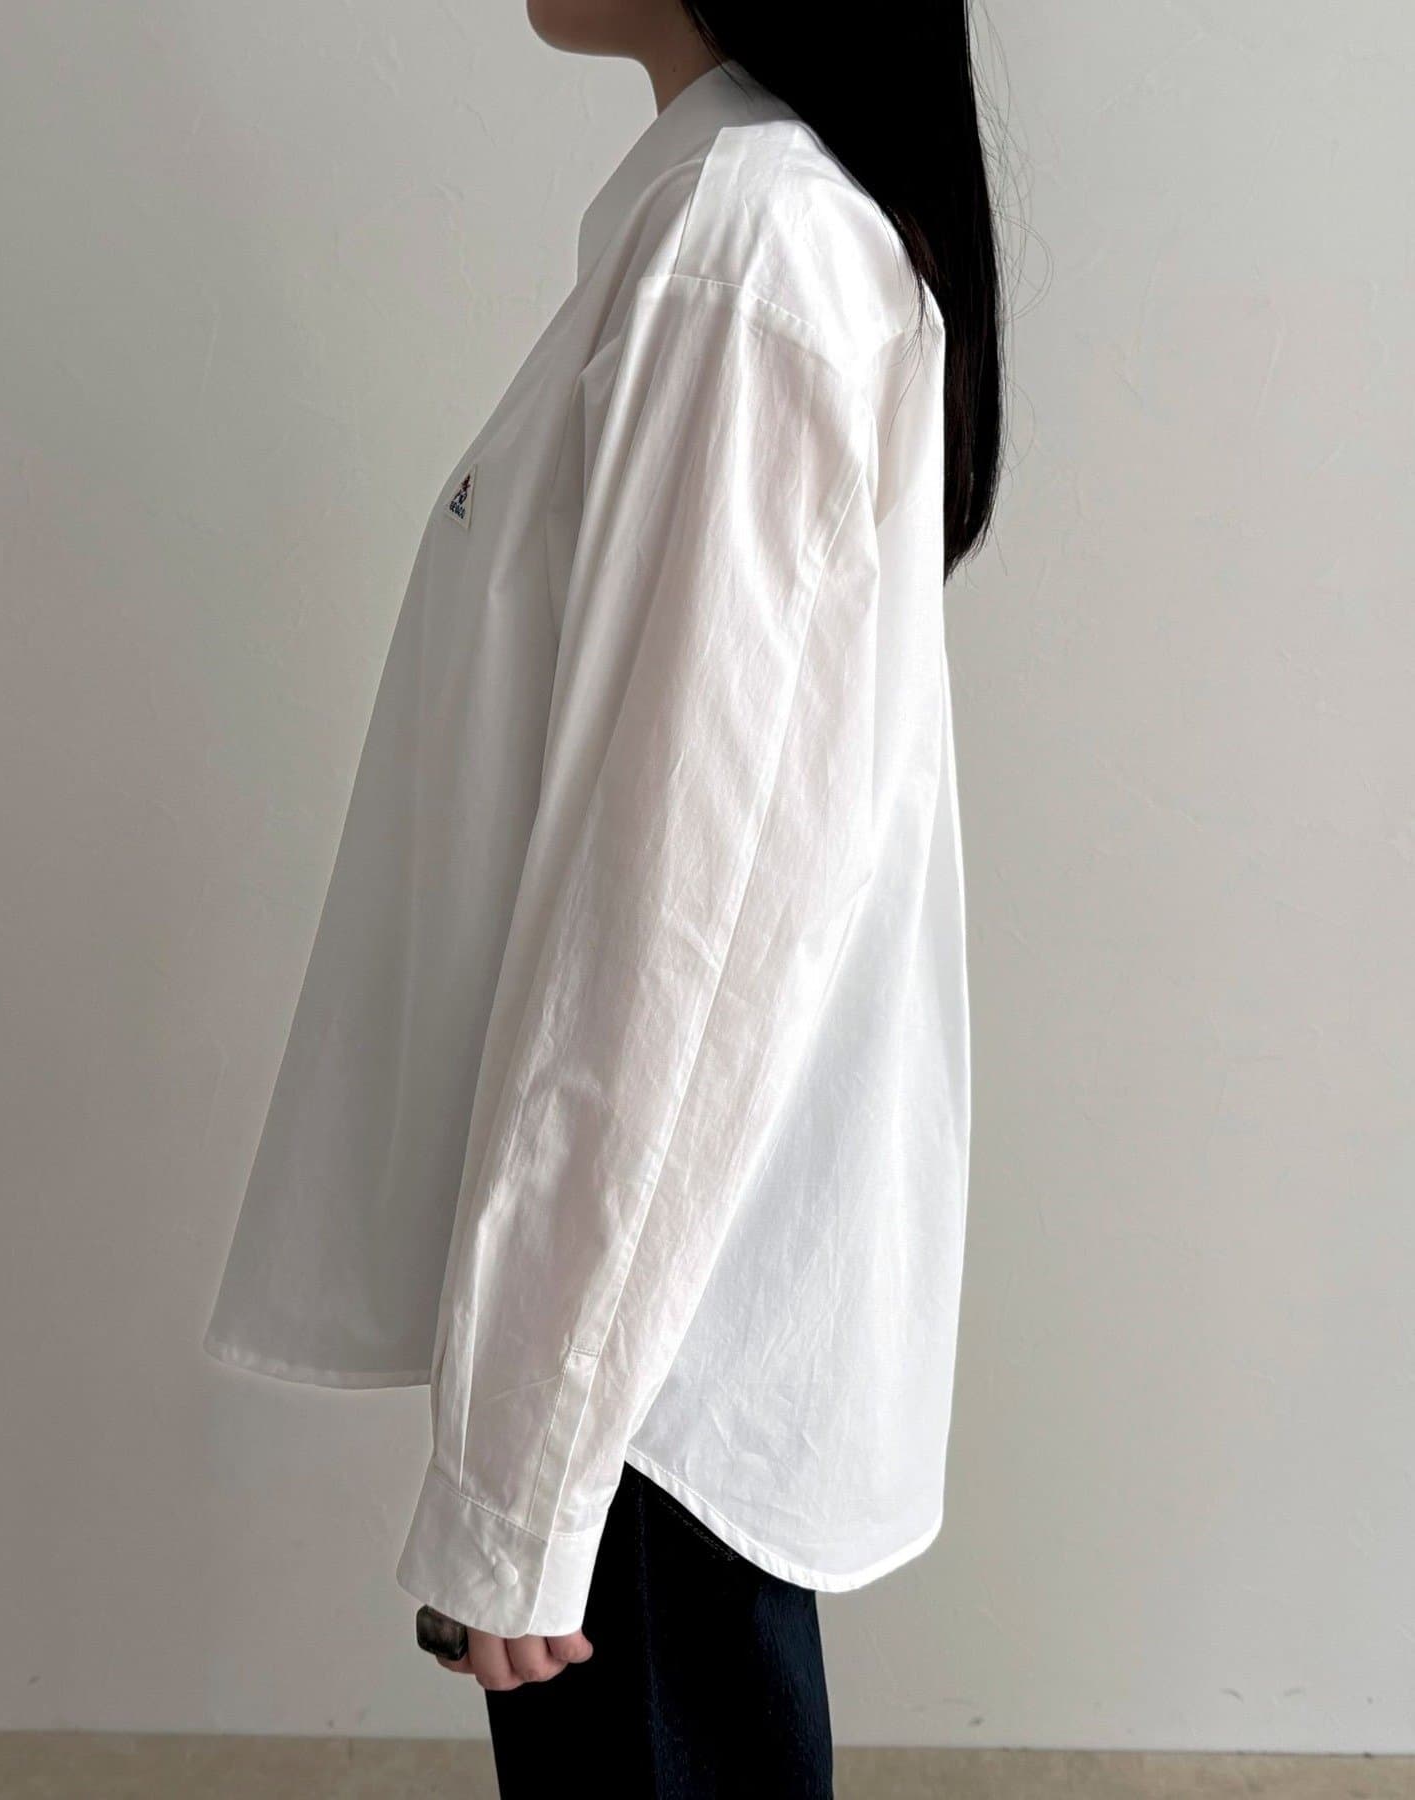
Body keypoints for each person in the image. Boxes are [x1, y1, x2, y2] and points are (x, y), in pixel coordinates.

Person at [202, 3, 1004, 1792]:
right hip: (643, 1320)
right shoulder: (729, 224)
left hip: (644, 1355)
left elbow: (681, 923)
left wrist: (530, 1469)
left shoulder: (749, 246)